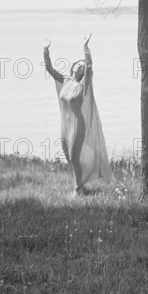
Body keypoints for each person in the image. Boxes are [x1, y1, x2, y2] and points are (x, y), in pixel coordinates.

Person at [43, 34, 111, 195]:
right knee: (68, 156)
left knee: (74, 157)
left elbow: (89, 69)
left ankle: (77, 189)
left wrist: (85, 49)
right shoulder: (65, 80)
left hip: (78, 125)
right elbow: (49, 69)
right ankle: (81, 183)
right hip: (65, 125)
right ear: (73, 67)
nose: (81, 67)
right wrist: (45, 50)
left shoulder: (83, 85)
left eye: (83, 66)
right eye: (79, 64)